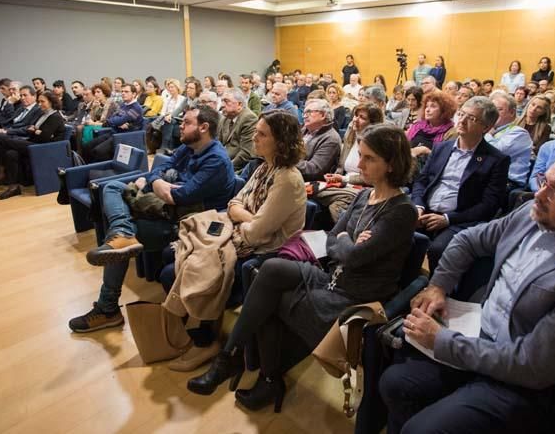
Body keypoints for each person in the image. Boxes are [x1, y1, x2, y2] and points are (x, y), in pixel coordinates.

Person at [381, 145, 555, 434]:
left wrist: (442, 341)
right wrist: (438, 285)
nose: (539, 194)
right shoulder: (535, 214)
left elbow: (531, 365)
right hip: (482, 336)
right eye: (544, 181)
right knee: (395, 383)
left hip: (533, 385)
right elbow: (468, 240)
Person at [186, 124, 417, 413]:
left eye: (369, 158)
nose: (360, 164)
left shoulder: (402, 210)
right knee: (270, 270)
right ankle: (230, 357)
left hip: (355, 296)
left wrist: (347, 245)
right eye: (361, 155)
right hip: (332, 277)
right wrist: (348, 243)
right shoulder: (363, 196)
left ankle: (265, 376)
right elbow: (333, 238)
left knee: (268, 298)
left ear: (392, 163)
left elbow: (355, 258)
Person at [155, 110, 307, 371]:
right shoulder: (263, 168)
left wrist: (242, 216)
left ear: (281, 141)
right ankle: (195, 329)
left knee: (175, 271)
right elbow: (234, 203)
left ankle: (206, 341)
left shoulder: (287, 179)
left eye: (261, 134)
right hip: (238, 236)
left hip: (263, 252)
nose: (254, 139)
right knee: (172, 256)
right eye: (256, 132)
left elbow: (258, 234)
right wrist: (245, 215)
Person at [70, 106, 236, 333]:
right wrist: (160, 182)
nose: (180, 125)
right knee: (111, 187)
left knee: (124, 231)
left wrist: (156, 183)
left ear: (204, 127)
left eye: (186, 122)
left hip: (190, 224)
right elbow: (160, 170)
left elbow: (179, 196)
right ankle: (123, 232)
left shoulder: (216, 160)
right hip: (168, 210)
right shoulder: (189, 147)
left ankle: (108, 308)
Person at [411, 96, 510, 273]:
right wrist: (418, 206)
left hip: (459, 219)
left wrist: (448, 219)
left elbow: (489, 205)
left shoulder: (496, 160)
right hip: (425, 211)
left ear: (486, 128)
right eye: (461, 114)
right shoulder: (442, 147)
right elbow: (422, 181)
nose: (462, 120)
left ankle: (435, 290)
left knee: (438, 249)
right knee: (396, 234)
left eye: (471, 118)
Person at [0, 91, 67, 199]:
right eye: (38, 101)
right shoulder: (44, 114)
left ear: (52, 102)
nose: (39, 104)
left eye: (42, 101)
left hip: (42, 148)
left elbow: (43, 137)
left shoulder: (55, 116)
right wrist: (35, 130)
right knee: (0, 149)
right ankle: (6, 186)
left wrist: (35, 131)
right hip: (33, 143)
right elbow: (33, 130)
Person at [80, 84, 144, 162]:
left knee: (98, 151)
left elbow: (118, 120)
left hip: (126, 137)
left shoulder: (136, 108)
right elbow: (113, 117)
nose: (123, 93)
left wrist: (118, 121)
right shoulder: (123, 104)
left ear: (134, 94)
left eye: (126, 91)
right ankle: (86, 169)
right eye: (122, 91)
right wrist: (118, 122)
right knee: (87, 146)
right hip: (114, 132)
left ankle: (100, 171)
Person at [486, 92, 533, 189]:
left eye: (499, 110)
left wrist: (487, 134)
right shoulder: (489, 130)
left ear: (512, 112)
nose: (493, 113)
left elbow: (494, 152)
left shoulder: (519, 133)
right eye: (491, 109)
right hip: (487, 177)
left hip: (508, 183)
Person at [406, 90, 456, 166]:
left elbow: (446, 160)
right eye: (426, 106)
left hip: (430, 169)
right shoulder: (417, 126)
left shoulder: (451, 132)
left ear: (444, 110)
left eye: (433, 106)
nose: (427, 110)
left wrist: (426, 151)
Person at [297, 99, 341, 181]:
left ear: (323, 115)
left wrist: (287, 160)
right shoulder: (303, 130)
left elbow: (314, 170)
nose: (304, 116)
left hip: (308, 183)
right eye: (304, 112)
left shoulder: (331, 139)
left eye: (309, 112)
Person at [217, 89, 258, 172]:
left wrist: (226, 168)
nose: (222, 105)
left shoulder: (249, 118)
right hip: (221, 162)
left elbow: (246, 153)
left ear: (239, 104)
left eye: (226, 101)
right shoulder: (224, 118)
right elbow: (217, 144)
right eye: (222, 101)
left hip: (237, 168)